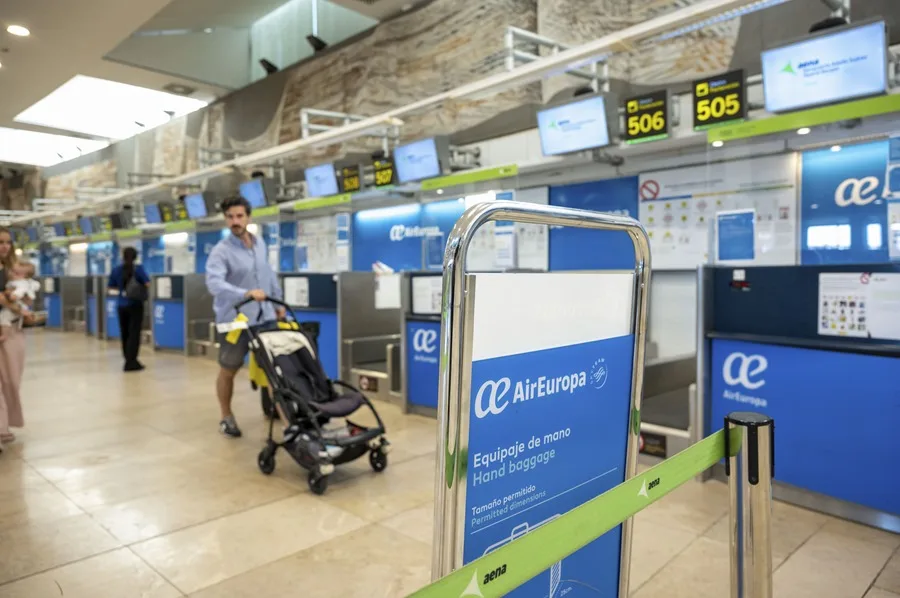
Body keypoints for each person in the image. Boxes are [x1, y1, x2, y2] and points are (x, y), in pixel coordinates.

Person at [206, 195, 284, 438]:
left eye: (239, 216)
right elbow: (214, 283)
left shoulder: (260, 243)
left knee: (274, 370)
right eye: (230, 217)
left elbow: (268, 274)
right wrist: (246, 293)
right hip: (235, 321)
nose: (235, 221)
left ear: (248, 217)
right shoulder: (221, 252)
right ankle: (226, 416)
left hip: (266, 317)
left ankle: (288, 420)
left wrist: (279, 301)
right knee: (228, 369)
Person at [0, 228, 28, 449]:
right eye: (0, 242)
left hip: (13, 330)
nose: (4, 246)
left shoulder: (11, 270)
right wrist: (17, 308)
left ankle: (6, 424)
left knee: (12, 379)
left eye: (8, 242)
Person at [107, 247, 150, 372]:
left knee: (125, 333)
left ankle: (127, 359)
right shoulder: (139, 269)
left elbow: (110, 286)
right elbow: (147, 283)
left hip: (121, 305)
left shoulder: (116, 270)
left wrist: (122, 289)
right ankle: (132, 361)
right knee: (134, 333)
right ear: (136, 256)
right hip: (135, 305)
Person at [0, 261, 40, 341]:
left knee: (4, 318)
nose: (11, 274)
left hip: (16, 307)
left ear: (24, 276)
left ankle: (4, 335)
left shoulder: (21, 283)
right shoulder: (15, 281)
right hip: (16, 308)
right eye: (12, 271)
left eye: (16, 273)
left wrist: (12, 295)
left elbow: (18, 294)